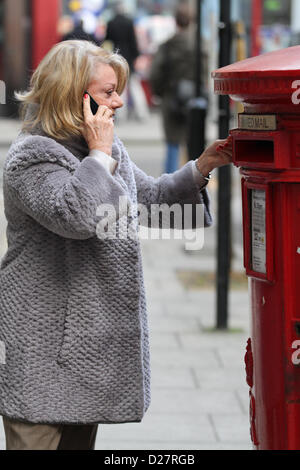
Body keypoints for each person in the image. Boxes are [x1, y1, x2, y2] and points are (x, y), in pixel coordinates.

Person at [0, 40, 232, 450]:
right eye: (108, 92)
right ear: (75, 96)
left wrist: (203, 167)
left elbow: (148, 200)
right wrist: (100, 152)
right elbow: (77, 218)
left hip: (86, 352)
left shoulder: (104, 149)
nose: (120, 102)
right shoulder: (31, 157)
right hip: (44, 351)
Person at [150, 6, 207, 173]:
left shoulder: (168, 45)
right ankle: (194, 179)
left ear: (176, 21)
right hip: (195, 97)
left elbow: (155, 73)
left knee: (173, 143)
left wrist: (160, 92)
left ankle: (170, 185)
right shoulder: (200, 44)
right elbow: (205, 71)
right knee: (194, 143)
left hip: (172, 98)